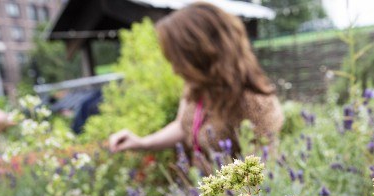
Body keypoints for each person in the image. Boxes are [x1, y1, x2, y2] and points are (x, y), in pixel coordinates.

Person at [109, 2, 283, 165]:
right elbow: (182, 126)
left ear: (201, 55)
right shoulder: (196, 87)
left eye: (178, 61)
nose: (175, 70)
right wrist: (142, 143)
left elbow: (264, 173)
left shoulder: (254, 103)